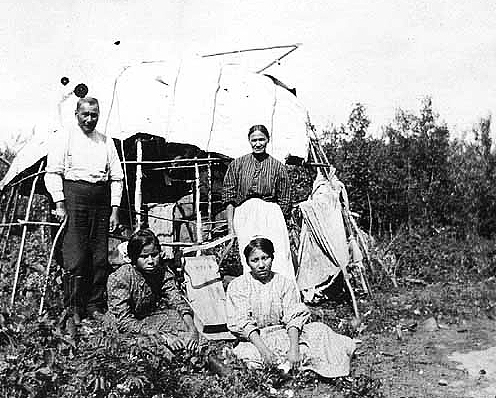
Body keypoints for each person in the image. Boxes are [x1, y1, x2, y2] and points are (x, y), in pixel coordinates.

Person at [226, 237, 356, 377]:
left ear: (272, 258)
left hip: (285, 335)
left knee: (320, 331)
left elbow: (294, 317)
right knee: (247, 355)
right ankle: (294, 366)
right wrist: (265, 352)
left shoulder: (284, 283)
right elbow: (243, 324)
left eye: (265, 258)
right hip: (257, 340)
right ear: (247, 263)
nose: (261, 265)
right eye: (255, 260)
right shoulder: (238, 286)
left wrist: (294, 349)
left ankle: (291, 363)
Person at [45, 96, 124, 326]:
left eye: (94, 115)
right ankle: (73, 308)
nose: (90, 119)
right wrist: (59, 203)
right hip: (74, 198)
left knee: (99, 257)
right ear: (76, 114)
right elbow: (53, 173)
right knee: (76, 257)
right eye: (85, 114)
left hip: (100, 201)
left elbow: (117, 177)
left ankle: (94, 305)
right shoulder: (65, 137)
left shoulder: (106, 141)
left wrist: (115, 210)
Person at [103, 229, 199, 352]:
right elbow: (123, 320)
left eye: (154, 255)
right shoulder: (120, 278)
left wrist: (192, 329)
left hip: (145, 318)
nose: (150, 261)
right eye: (143, 257)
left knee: (179, 321)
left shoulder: (161, 272)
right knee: (144, 345)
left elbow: (177, 300)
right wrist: (161, 336)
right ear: (133, 258)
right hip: (121, 325)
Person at [222, 124, 295, 282]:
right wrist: (231, 226)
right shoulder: (237, 165)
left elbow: (285, 198)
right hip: (244, 215)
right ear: (249, 141)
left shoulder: (277, 167)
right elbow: (229, 196)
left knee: (277, 255)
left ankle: (281, 292)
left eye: (261, 139)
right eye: (254, 140)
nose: (258, 143)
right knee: (250, 254)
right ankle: (253, 295)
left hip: (270, 214)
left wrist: (274, 218)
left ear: (268, 140)